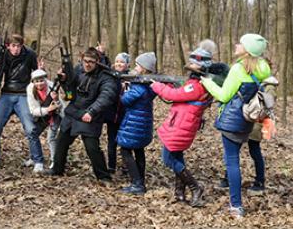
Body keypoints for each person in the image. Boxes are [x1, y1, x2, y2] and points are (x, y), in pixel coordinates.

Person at [200, 34, 272, 219]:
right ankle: (236, 204)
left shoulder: (238, 69)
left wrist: (207, 82)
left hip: (232, 120)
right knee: (235, 160)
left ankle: (236, 205)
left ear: (247, 49)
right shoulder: (263, 68)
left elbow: (224, 95)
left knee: (232, 163)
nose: (236, 44)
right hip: (247, 121)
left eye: (240, 43)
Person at [150, 40, 218, 207]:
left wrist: (157, 85)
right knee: (176, 156)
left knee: (168, 158)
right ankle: (179, 192)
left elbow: (173, 95)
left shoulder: (196, 86)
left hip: (181, 125)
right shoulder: (198, 84)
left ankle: (195, 188)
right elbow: (180, 91)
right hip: (182, 123)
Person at [48, 48, 119, 181]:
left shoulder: (106, 77)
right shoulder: (78, 69)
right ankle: (57, 169)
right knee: (61, 141)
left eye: (91, 62)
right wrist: (63, 79)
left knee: (92, 148)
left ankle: (103, 176)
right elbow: (70, 90)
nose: (87, 64)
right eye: (85, 61)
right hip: (73, 112)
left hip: (90, 115)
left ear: (97, 62)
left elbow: (106, 96)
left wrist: (92, 111)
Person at [0, 34, 44, 172]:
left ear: (22, 45)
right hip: (6, 93)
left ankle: (38, 160)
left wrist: (41, 69)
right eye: (13, 46)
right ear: (8, 46)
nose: (16, 49)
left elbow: (37, 74)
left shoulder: (29, 54)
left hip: (23, 94)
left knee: (30, 128)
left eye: (18, 46)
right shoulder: (4, 54)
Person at [218, 70, 278, 197]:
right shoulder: (247, 79)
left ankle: (260, 181)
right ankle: (228, 178)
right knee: (233, 153)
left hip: (255, 123)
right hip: (241, 120)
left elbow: (268, 104)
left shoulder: (268, 86)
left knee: (254, 151)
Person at [116, 52, 157, 194]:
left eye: (137, 66)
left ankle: (137, 183)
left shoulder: (138, 88)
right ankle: (140, 182)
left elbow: (125, 100)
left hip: (134, 124)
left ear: (144, 69)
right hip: (142, 124)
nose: (135, 68)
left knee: (125, 150)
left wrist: (124, 90)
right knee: (139, 151)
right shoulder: (149, 86)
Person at [26, 69, 66, 169]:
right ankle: (34, 157)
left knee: (51, 138)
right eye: (37, 81)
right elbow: (33, 110)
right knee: (33, 133)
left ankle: (55, 160)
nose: (40, 83)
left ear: (45, 79)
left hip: (55, 116)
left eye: (42, 80)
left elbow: (61, 106)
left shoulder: (53, 86)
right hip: (42, 115)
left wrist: (56, 100)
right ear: (33, 82)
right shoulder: (30, 89)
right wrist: (47, 109)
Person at [104, 52, 131, 175]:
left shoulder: (131, 78)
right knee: (111, 141)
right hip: (111, 115)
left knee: (125, 142)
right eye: (117, 62)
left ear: (127, 65)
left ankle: (126, 165)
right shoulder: (111, 76)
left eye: (122, 62)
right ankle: (111, 165)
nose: (119, 64)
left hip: (125, 116)